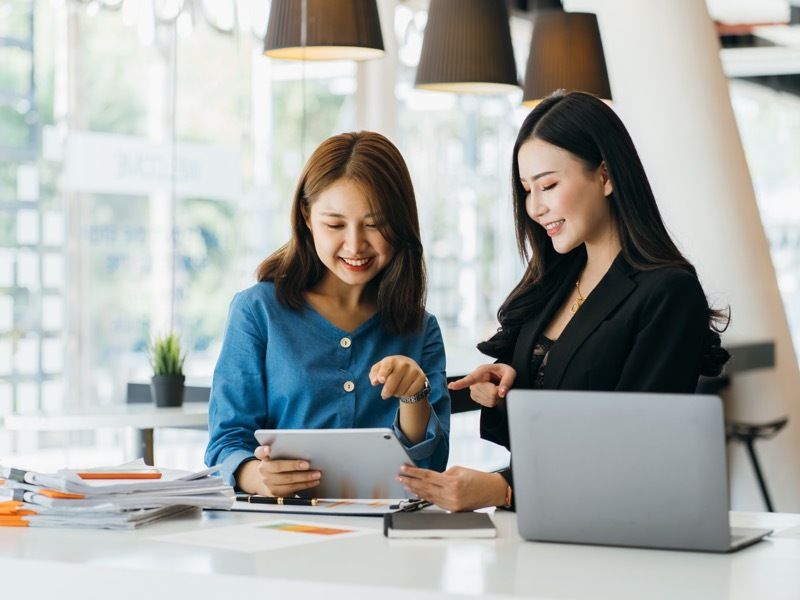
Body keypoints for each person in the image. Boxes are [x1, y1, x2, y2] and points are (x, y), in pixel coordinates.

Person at [398, 90, 729, 512]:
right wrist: (506, 389)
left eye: (549, 185)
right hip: (539, 531)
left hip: (617, 533)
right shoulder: (552, 285)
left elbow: (635, 449)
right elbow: (547, 426)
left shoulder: (668, 292)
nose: (535, 207)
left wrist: (504, 490)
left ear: (606, 176)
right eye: (526, 190)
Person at [205, 131, 450, 496]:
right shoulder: (257, 311)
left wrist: (414, 396)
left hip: (385, 535)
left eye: (374, 224)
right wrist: (256, 476)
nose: (355, 244)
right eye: (335, 224)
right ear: (306, 216)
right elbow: (225, 442)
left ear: (399, 224)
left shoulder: (420, 329)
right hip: (280, 530)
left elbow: (429, 469)